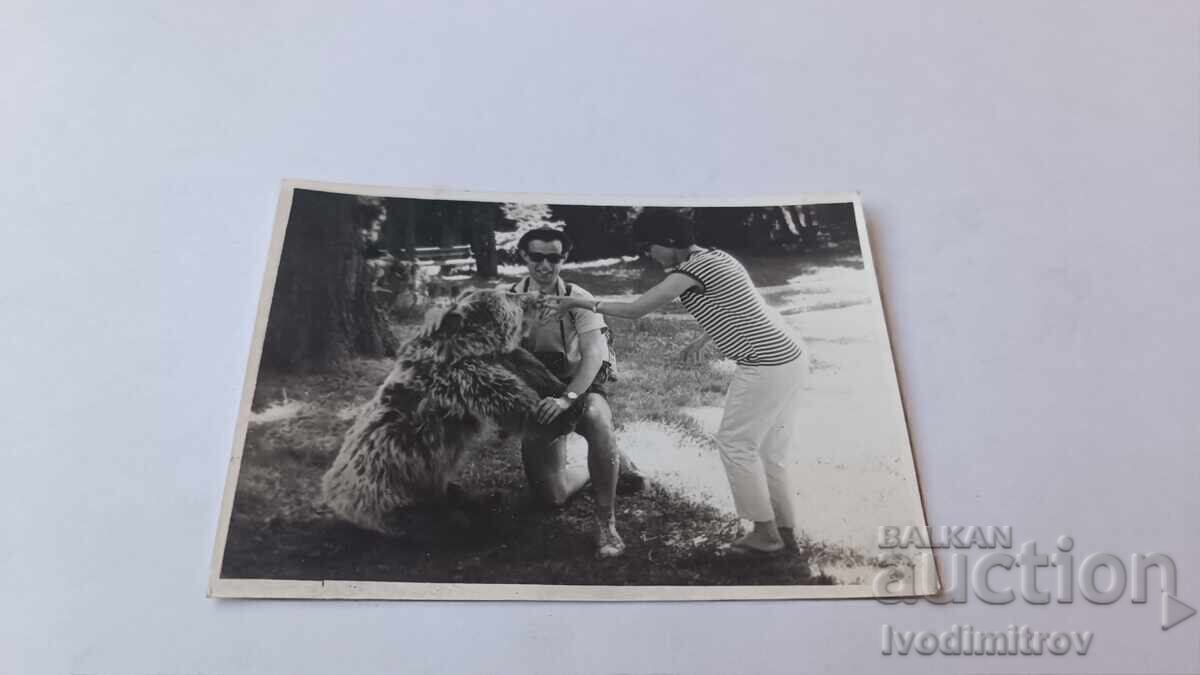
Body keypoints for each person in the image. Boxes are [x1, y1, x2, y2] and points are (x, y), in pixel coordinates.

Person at [545, 209, 810, 554]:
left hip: (765, 363)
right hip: (789, 354)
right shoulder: (714, 256)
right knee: (769, 452)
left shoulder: (688, 270)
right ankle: (785, 532)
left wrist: (580, 301)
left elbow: (636, 309)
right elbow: (736, 304)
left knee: (735, 443)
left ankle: (765, 533)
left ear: (669, 242)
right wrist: (705, 337)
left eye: (649, 246)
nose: (648, 254)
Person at [509, 227, 646, 559]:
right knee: (552, 498)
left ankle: (606, 523)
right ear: (524, 256)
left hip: (578, 386)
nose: (544, 266)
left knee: (597, 417)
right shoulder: (507, 298)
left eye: (553, 258)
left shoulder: (577, 297)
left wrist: (566, 399)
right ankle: (610, 465)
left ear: (563, 259)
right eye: (537, 257)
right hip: (536, 395)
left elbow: (594, 355)